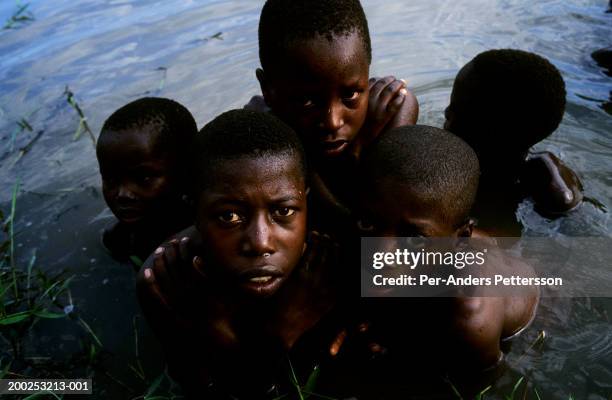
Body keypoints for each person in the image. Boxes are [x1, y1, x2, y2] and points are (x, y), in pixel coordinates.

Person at [137, 110, 340, 398]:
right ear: (194, 211)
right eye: (229, 216)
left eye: (282, 211)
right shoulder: (167, 282)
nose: (260, 243)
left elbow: (424, 272)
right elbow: (202, 389)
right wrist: (271, 335)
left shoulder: (329, 255)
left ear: (306, 203)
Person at [353, 125, 539, 371]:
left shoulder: (470, 318)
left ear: (460, 239)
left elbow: (485, 386)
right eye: (367, 223)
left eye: (414, 239)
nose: (380, 254)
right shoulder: (406, 229)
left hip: (536, 305)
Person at [246, 0, 419, 227]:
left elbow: (377, 221)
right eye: (306, 101)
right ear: (267, 89)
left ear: (367, 76)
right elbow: (338, 220)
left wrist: (357, 152)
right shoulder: (260, 132)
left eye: (351, 95)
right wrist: (358, 150)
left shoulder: (391, 111)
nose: (332, 121)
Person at [444, 49, 583, 235]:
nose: (446, 113)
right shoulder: (542, 181)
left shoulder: (547, 184)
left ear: (489, 128)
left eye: (455, 109)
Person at [96, 97, 197, 264]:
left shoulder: (212, 236)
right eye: (110, 179)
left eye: (143, 178)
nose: (123, 194)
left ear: (187, 170)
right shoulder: (119, 240)